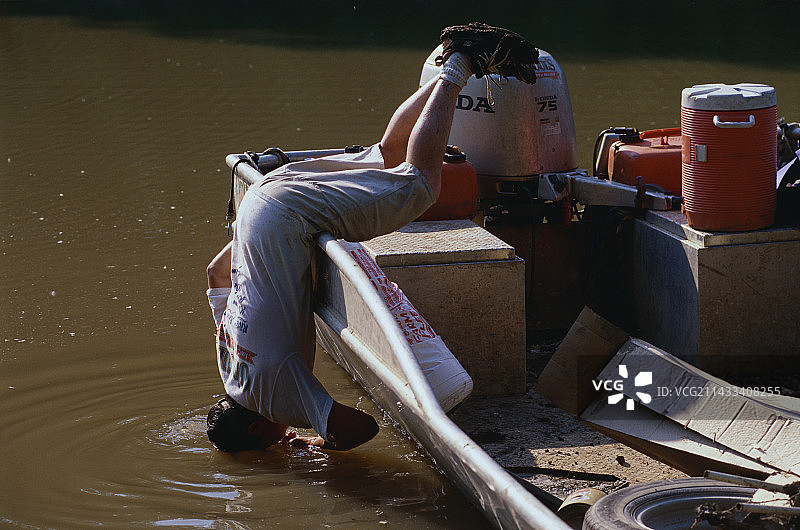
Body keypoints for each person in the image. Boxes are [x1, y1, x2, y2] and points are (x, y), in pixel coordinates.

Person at [205, 23, 539, 452]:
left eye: (268, 444)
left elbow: (360, 429)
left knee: (419, 184)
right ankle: (456, 62)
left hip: (286, 215)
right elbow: (216, 272)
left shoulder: (275, 400)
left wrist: (309, 443)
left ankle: (463, 62)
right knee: (389, 155)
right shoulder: (228, 364)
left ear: (255, 428)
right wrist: (258, 234)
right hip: (262, 202)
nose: (280, 438)